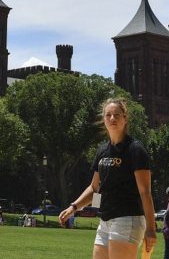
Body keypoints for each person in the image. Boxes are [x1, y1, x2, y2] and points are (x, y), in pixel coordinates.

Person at [58, 98, 156, 258]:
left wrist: (151, 229)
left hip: (127, 218)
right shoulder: (102, 151)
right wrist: (73, 207)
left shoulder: (135, 149)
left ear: (125, 118)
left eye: (117, 115)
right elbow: (94, 188)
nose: (112, 118)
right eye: (108, 115)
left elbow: (145, 192)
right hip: (105, 221)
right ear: (103, 120)